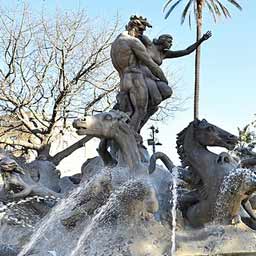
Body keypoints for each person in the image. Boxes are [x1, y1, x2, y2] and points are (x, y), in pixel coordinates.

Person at [138, 31, 212, 128]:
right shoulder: (149, 44)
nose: (171, 44)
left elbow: (186, 51)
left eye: (171, 42)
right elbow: (137, 35)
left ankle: (144, 113)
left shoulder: (164, 54)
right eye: (169, 41)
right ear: (162, 40)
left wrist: (201, 40)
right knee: (156, 99)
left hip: (153, 77)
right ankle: (141, 114)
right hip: (142, 74)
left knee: (167, 91)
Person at [111, 15, 168, 133]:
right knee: (140, 111)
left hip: (123, 81)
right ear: (133, 27)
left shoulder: (116, 43)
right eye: (140, 30)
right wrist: (164, 79)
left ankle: (125, 135)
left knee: (129, 113)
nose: (141, 34)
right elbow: (151, 64)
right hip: (135, 79)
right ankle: (131, 139)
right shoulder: (133, 42)